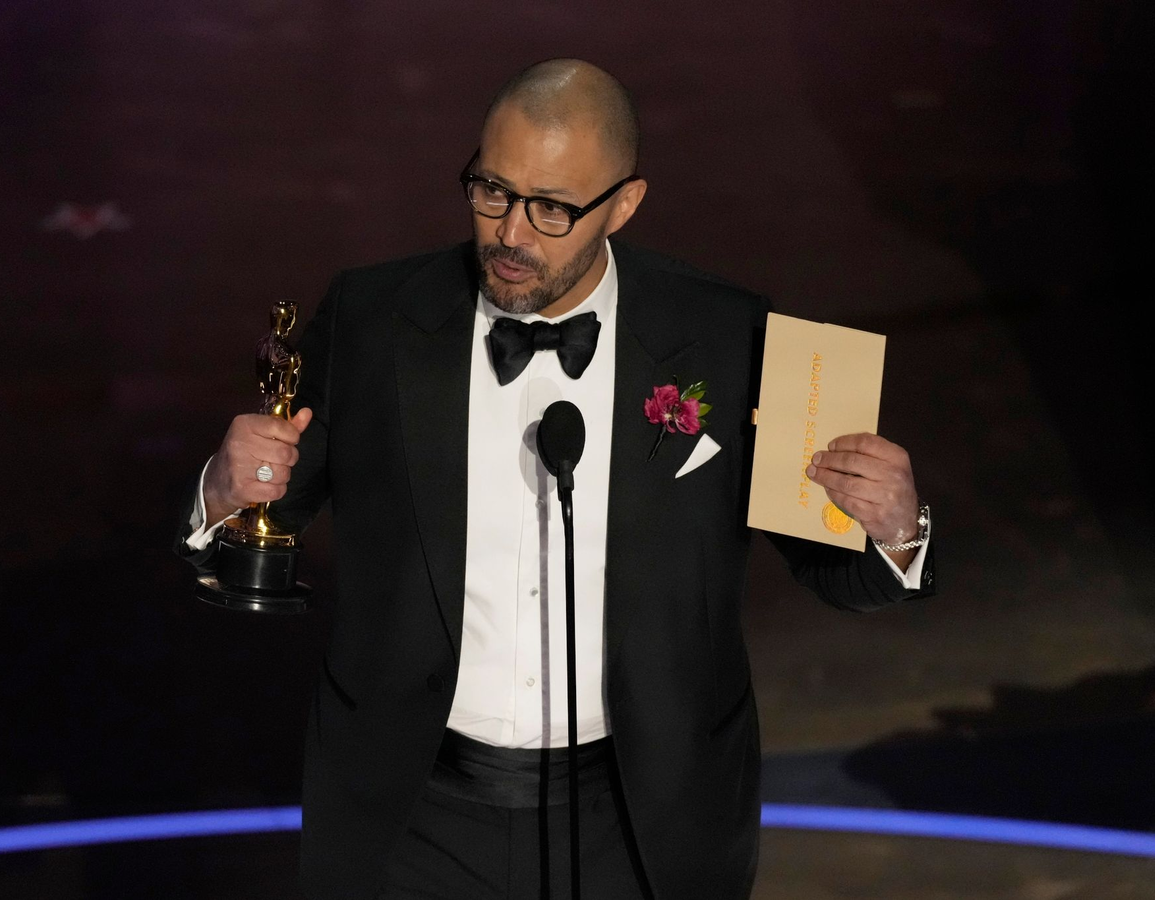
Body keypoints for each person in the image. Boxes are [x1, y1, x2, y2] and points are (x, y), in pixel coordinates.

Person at [176, 59, 934, 900]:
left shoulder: (731, 336)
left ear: (624, 204)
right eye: (491, 191)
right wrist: (223, 489)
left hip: (642, 824)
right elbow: (264, 515)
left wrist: (897, 531)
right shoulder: (373, 318)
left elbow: (842, 573)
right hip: (411, 817)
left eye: (552, 208)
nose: (511, 234)